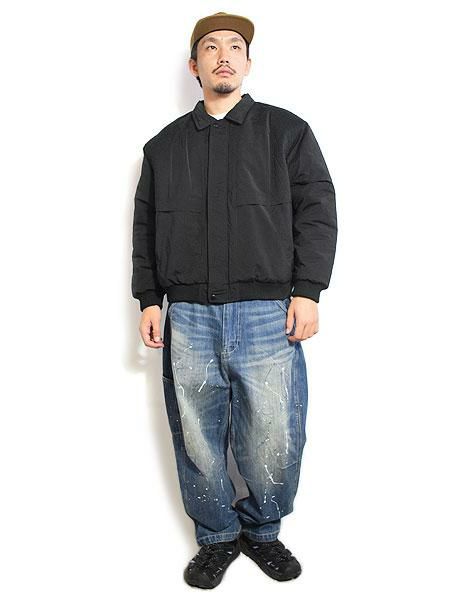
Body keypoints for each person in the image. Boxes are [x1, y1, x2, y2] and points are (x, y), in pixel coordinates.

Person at [131, 11, 337, 588]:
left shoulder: (287, 132)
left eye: (235, 47)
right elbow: (145, 228)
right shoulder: (164, 147)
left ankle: (263, 531)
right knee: (197, 436)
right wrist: (149, 299)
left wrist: (308, 290)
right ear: (193, 66)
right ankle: (217, 537)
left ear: (248, 63)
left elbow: (318, 212)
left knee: (273, 433)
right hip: (189, 316)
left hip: (268, 315)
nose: (224, 55)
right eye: (211, 48)